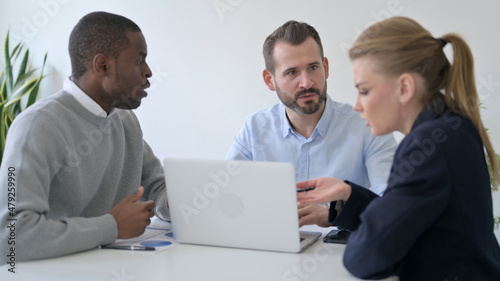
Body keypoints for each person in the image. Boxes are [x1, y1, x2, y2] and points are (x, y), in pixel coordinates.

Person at [297, 17, 500, 280]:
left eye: (365, 91)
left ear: (404, 88)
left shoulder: (427, 148)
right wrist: (348, 195)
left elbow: (364, 258)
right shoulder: (451, 125)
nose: (357, 105)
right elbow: (404, 217)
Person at [0, 12, 170, 263]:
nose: (148, 72)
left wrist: (193, 206)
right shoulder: (36, 126)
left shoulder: (124, 120)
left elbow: (157, 188)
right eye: (139, 61)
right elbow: (9, 238)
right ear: (102, 65)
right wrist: (110, 227)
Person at [225, 20, 397, 227]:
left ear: (325, 67)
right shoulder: (255, 128)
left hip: (342, 252)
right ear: (270, 80)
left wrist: (334, 213)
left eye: (313, 67)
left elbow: (392, 205)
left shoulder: (368, 126)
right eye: (292, 72)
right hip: (274, 249)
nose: (306, 82)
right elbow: (226, 194)